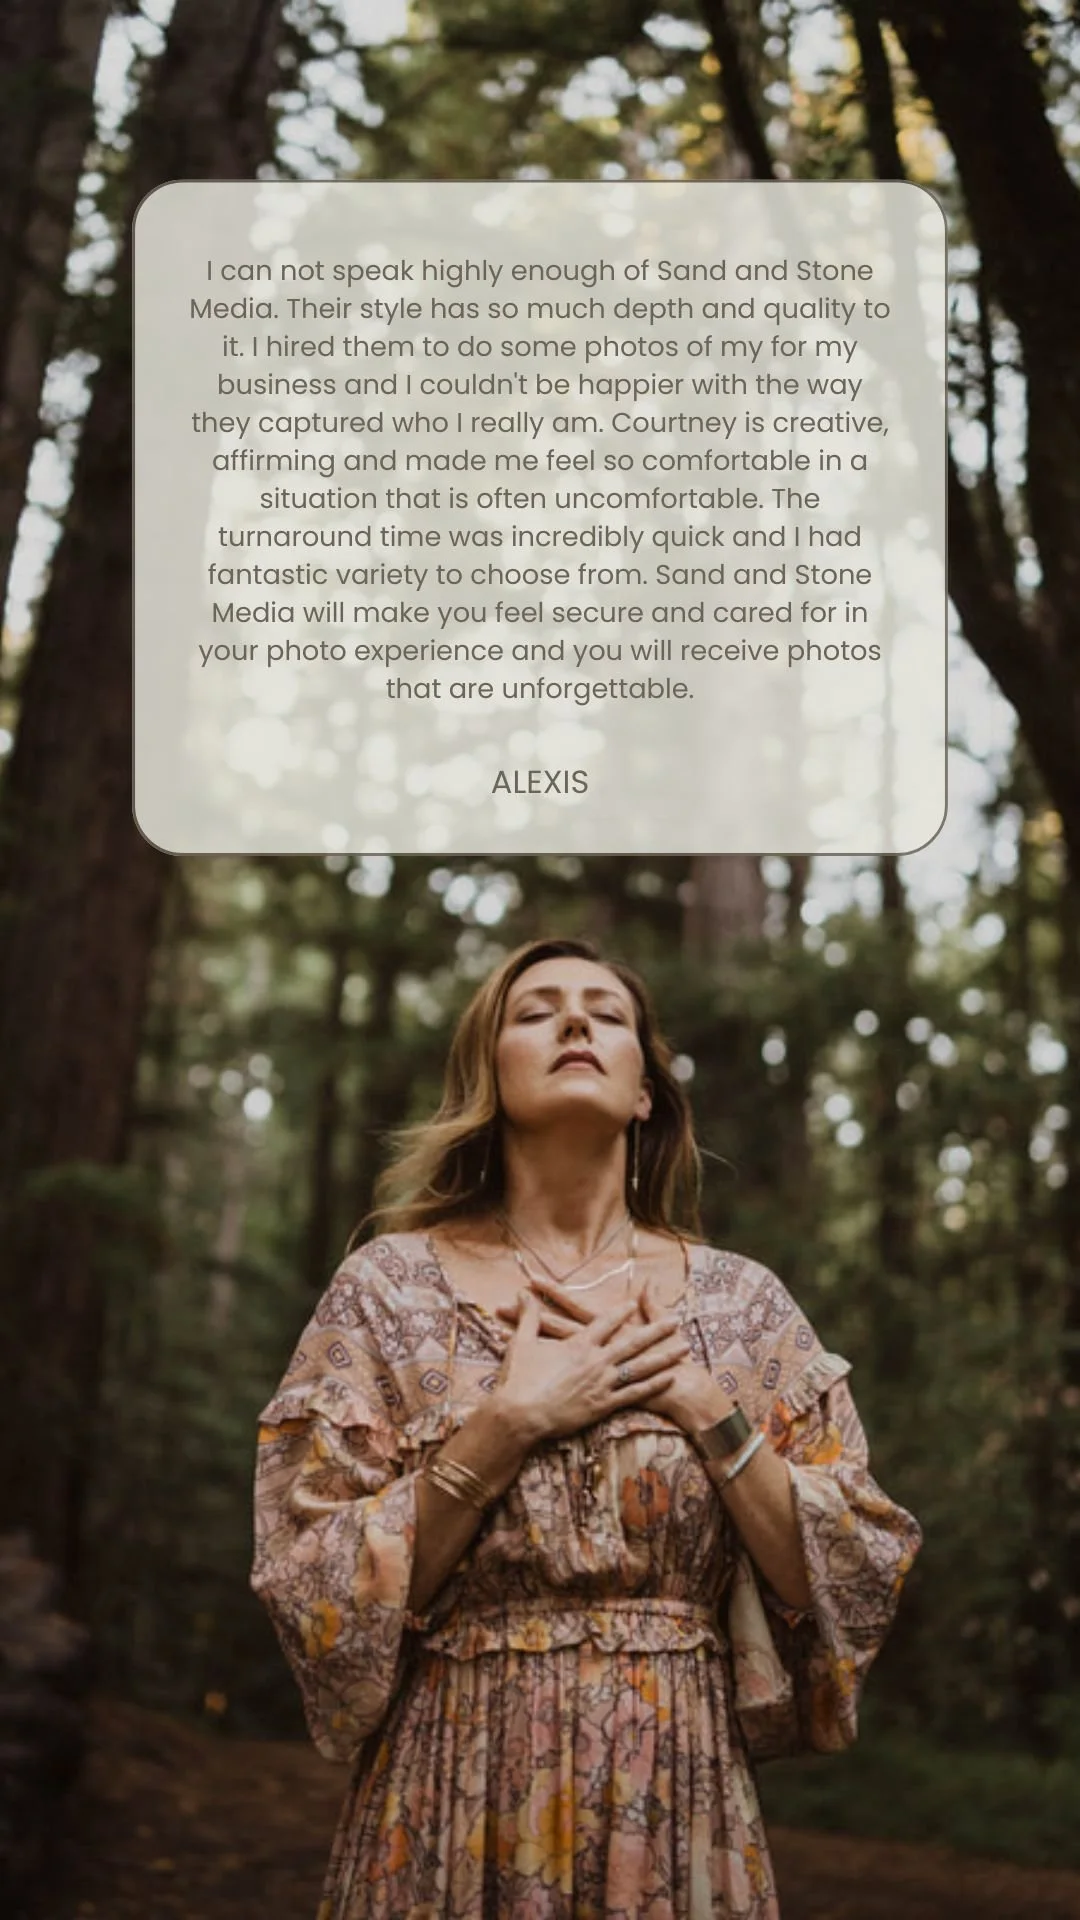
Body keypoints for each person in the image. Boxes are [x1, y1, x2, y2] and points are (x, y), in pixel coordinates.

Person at [252, 937, 921, 1920]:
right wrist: (507, 1423)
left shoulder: (743, 1305)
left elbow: (854, 1576)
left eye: (606, 1014)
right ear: (492, 1073)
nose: (574, 1023)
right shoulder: (389, 1289)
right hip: (449, 1786)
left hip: (677, 1795)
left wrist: (707, 1408)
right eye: (537, 1012)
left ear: (645, 1091)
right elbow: (306, 1583)